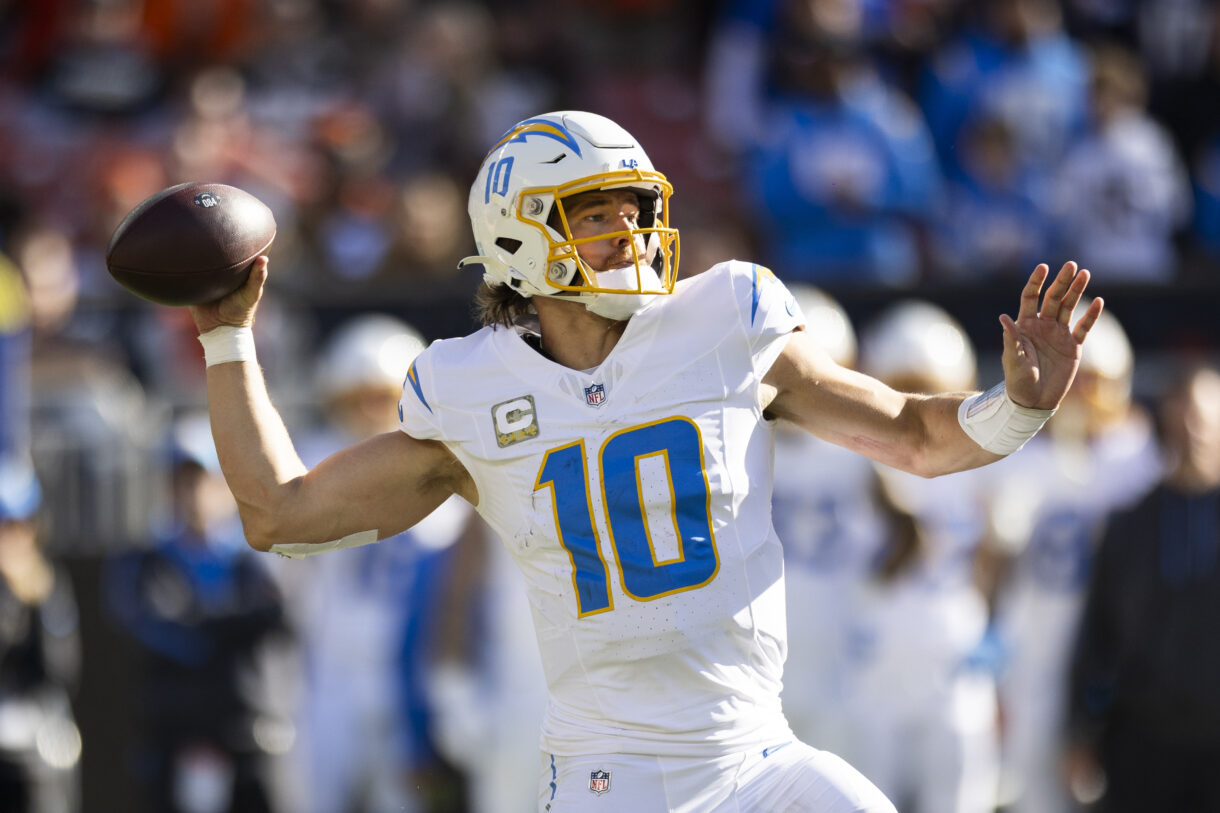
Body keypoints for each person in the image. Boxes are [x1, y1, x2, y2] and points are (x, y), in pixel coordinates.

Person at [186, 110, 1102, 812]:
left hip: (757, 759)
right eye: (596, 213)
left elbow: (915, 433)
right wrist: (229, 343)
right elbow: (280, 512)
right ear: (519, 232)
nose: (629, 232)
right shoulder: (467, 391)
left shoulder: (726, 323)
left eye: (636, 208)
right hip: (607, 778)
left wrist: (1019, 403)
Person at [987, 304, 1160, 813]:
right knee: (1031, 793)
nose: (1083, 394)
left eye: (1097, 381)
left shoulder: (1142, 458)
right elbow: (994, 561)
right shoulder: (1021, 457)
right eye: (1076, 379)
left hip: (1110, 658)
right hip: (1033, 649)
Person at [832, 301, 1003, 813]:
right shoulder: (848, 460)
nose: (919, 400)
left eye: (931, 384)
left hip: (952, 656)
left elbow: (993, 552)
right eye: (904, 383)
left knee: (959, 799)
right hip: (874, 656)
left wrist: (990, 622)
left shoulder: (981, 465)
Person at [104, 415, 293, 813]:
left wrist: (206, 624)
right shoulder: (145, 562)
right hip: (176, 737)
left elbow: (279, 619)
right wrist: (232, 626)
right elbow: (162, 633)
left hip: (246, 737)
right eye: (182, 481)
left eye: (204, 479)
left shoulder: (253, 560)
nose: (193, 493)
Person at [1064, 362, 1220, 813]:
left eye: (1204, 418)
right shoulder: (1131, 524)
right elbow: (1099, 634)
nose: (1193, 431)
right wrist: (1080, 733)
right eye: (1182, 416)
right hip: (1143, 739)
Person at [0, 456, 82, 813]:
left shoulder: (50, 586)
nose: (11, 538)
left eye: (19, 526)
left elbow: (62, 672)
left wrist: (35, 602)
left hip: (38, 746)